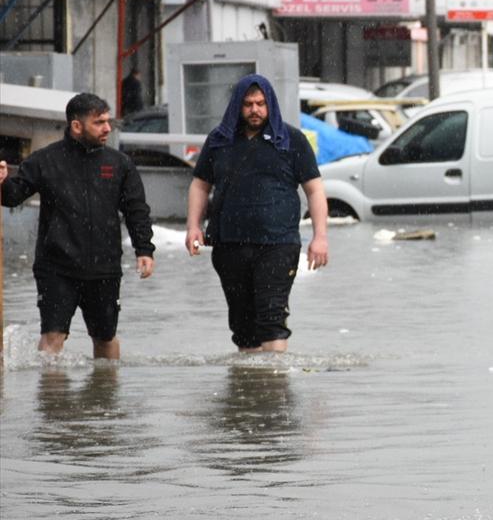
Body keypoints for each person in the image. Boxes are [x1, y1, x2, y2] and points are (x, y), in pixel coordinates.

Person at [0, 93, 155, 360]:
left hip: (104, 267)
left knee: (105, 338)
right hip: (57, 267)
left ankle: (105, 396)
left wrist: (144, 249)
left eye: (108, 121)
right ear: (76, 126)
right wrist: (2, 182)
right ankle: (51, 399)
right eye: (99, 122)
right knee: (52, 338)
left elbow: (136, 210)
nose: (107, 128)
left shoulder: (119, 164)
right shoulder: (45, 160)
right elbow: (12, 196)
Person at [185, 74, 329, 353]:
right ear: (238, 105)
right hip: (229, 243)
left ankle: (273, 388)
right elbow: (200, 185)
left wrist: (320, 236)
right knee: (242, 325)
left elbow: (315, 190)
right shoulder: (220, 140)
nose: (255, 110)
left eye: (261, 103)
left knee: (272, 316)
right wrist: (193, 225)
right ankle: (249, 391)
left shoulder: (290, 140)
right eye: (248, 104)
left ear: (270, 105)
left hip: (278, 243)